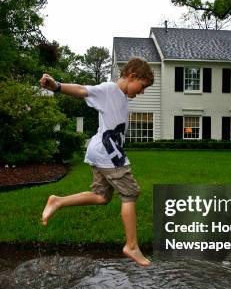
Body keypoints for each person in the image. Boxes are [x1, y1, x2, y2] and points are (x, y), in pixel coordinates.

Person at [39, 57, 154, 267]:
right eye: (143, 86)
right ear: (132, 76)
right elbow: (83, 90)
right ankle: (132, 246)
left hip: (103, 151)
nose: (142, 92)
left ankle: (57, 201)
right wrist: (57, 86)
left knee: (101, 197)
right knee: (130, 193)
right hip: (108, 153)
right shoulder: (109, 89)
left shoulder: (121, 96)